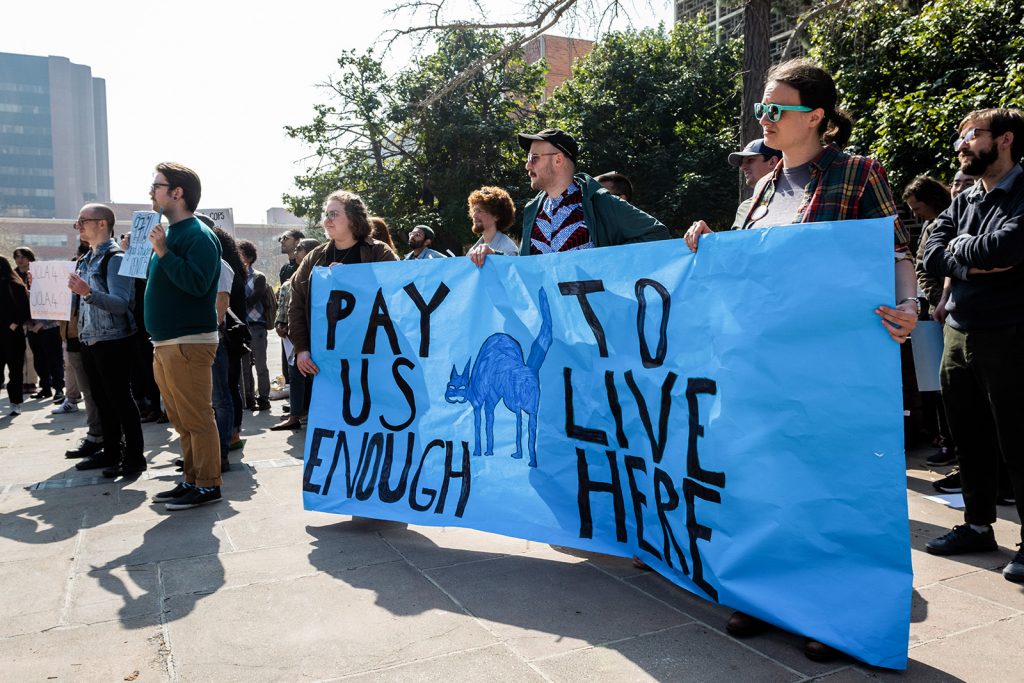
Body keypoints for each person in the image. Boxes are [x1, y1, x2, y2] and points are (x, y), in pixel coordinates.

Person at [684, 58, 918, 662]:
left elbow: (895, 249)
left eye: (776, 108)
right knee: (763, 478)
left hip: (832, 366)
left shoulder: (859, 172)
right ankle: (765, 597)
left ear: (815, 116)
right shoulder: (762, 187)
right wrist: (709, 242)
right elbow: (744, 269)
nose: (764, 118)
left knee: (831, 481)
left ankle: (836, 613)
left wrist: (910, 304)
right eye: (762, 107)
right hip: (761, 368)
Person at [922, 107, 1024, 585]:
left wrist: (959, 256)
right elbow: (930, 249)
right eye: (960, 134)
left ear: (1004, 140)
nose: (961, 143)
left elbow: (1008, 249)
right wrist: (970, 258)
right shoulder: (965, 198)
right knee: (970, 437)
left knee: (1017, 440)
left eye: (971, 134)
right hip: (958, 332)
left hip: (1011, 332)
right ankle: (978, 526)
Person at [145, 162, 224, 510]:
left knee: (197, 417)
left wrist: (163, 252)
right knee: (181, 419)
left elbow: (197, 284)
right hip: (167, 342)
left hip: (189, 342)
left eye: (157, 185)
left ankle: (208, 484)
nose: (151, 191)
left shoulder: (198, 235)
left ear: (177, 192)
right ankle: (192, 478)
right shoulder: (169, 233)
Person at [469, 128, 668, 266]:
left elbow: (658, 235)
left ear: (558, 159)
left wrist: (608, 261)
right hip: (548, 323)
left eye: (533, 158)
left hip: (592, 323)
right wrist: (495, 256)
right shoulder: (532, 210)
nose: (527, 166)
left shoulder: (598, 201)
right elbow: (525, 267)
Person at [67, 204, 146, 477]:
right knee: (102, 400)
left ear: (102, 224)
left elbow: (121, 304)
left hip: (113, 340)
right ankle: (112, 452)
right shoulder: (86, 259)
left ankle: (134, 457)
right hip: (90, 339)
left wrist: (87, 292)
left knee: (121, 400)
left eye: (82, 221)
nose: (78, 226)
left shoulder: (115, 258)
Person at [290, 191, 397, 380]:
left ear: (353, 219)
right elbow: (296, 304)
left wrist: (352, 279)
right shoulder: (314, 258)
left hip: (373, 353)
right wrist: (302, 348)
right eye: (326, 214)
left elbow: (396, 292)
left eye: (334, 214)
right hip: (327, 357)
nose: (327, 220)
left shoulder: (378, 252)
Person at [902, 177, 956, 468]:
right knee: (934, 384)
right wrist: (939, 301)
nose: (914, 214)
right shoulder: (929, 226)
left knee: (948, 385)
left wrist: (942, 302)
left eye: (917, 206)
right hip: (936, 310)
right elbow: (923, 270)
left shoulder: (952, 219)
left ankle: (951, 442)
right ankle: (944, 439)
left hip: (948, 312)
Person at [271, 237, 320, 431]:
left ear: (310, 252)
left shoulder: (318, 276)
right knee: (295, 375)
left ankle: (312, 412)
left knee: (313, 376)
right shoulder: (292, 273)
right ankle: (295, 414)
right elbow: (286, 305)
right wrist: (280, 323)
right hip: (292, 337)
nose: (296, 252)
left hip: (311, 336)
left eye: (300, 248)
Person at [15, 246, 65, 401]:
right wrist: (28, 323)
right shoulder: (15, 276)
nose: (20, 259)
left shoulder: (43, 273)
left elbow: (54, 299)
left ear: (30, 257)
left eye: (23, 256)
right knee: (39, 359)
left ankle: (58, 389)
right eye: (17, 256)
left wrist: (43, 322)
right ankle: (45, 388)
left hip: (49, 324)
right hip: (31, 325)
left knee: (54, 359)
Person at [237, 240, 273, 412]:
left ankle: (264, 398)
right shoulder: (235, 275)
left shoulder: (258, 277)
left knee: (260, 365)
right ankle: (249, 398)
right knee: (244, 367)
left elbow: (253, 299)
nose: (238, 257)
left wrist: (237, 301)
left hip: (257, 326)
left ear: (250, 257)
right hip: (241, 327)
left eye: (241, 253)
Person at [728, 138, 782, 229]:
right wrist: (708, 236)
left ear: (772, 162)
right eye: (742, 163)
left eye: (750, 160)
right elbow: (739, 242)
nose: (742, 168)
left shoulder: (793, 199)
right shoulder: (745, 207)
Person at [0, 256, 30, 417]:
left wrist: (14, 323)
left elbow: (25, 309)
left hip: (13, 336)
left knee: (15, 371)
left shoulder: (14, 285)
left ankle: (15, 402)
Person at [467, 186, 519, 256]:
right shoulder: (472, 252)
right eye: (474, 210)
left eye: (479, 211)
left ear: (496, 216)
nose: (474, 215)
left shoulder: (508, 250)